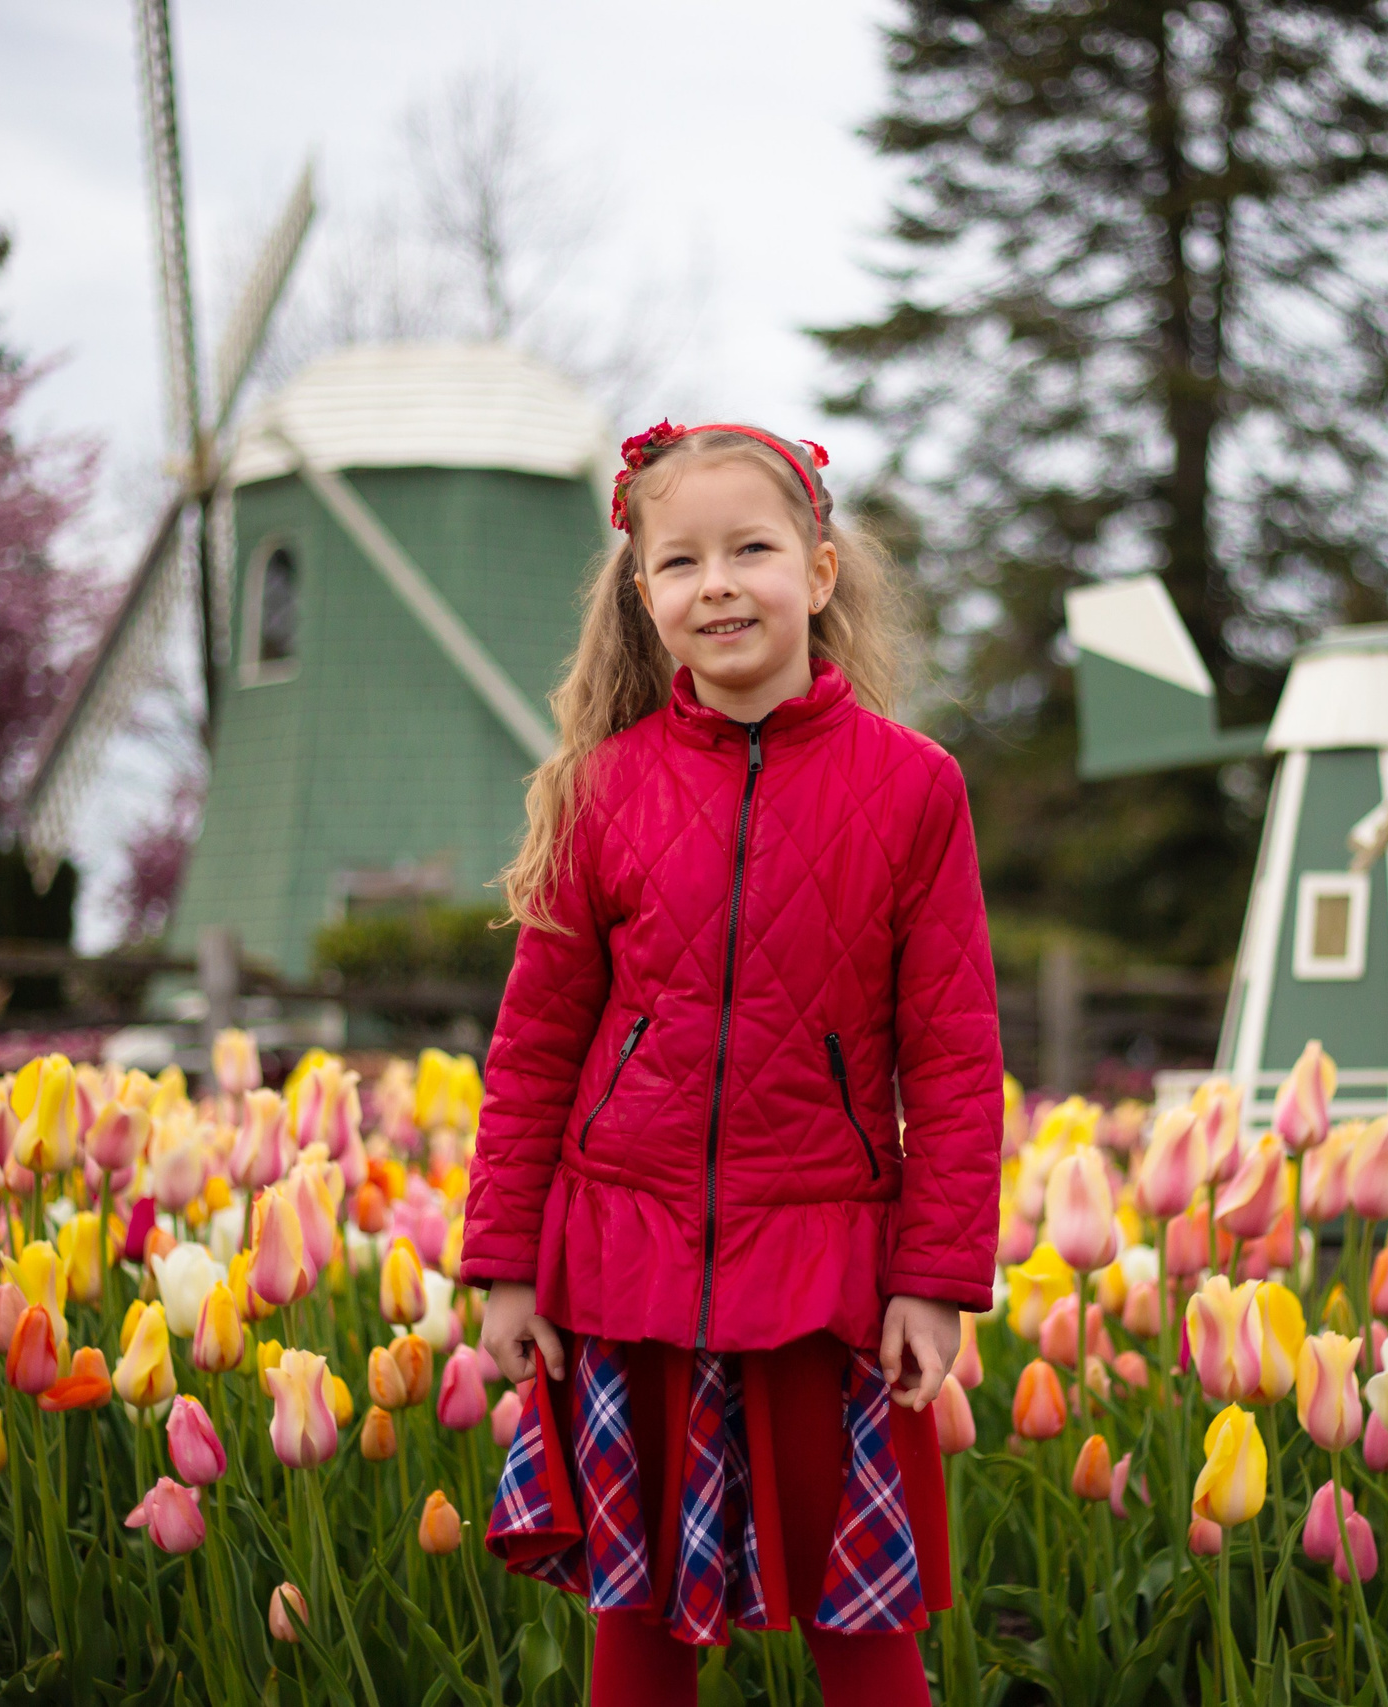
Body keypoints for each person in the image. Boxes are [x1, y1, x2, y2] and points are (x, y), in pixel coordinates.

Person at [463, 421, 1002, 1706]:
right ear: (641, 598)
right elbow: (534, 1048)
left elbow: (954, 1054)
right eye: (678, 561)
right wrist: (501, 1265)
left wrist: (933, 1281)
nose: (716, 583)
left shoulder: (914, 789)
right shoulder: (601, 790)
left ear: (818, 572)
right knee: (636, 1630)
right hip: (618, 1263)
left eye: (750, 549)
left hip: (825, 1274)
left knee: (865, 1633)